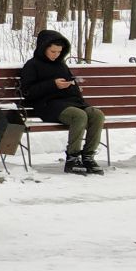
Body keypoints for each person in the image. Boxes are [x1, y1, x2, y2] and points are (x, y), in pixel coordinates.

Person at [18, 28, 106, 175]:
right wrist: (53, 84)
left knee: (97, 114)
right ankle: (72, 159)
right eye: (53, 51)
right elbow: (28, 92)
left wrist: (72, 86)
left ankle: (88, 157)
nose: (56, 55)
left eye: (59, 52)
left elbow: (72, 87)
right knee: (79, 116)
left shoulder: (61, 65)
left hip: (71, 102)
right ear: (43, 48)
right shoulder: (32, 65)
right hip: (47, 105)